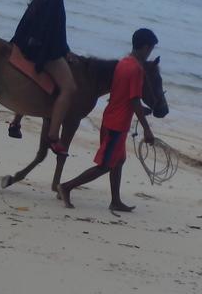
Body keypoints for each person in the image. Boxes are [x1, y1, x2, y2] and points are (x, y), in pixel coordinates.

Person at [59, 28, 159, 213]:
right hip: (117, 124)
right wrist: (147, 129)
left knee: (118, 161)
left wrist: (138, 109)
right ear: (146, 47)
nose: (150, 53)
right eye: (151, 49)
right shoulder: (136, 69)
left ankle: (115, 201)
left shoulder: (123, 63)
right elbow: (135, 100)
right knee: (105, 165)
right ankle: (66, 187)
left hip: (110, 117)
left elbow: (124, 94)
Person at [9, 0, 75, 153]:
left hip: (25, 46)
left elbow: (26, 25)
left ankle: (16, 120)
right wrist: (66, 53)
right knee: (69, 88)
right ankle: (54, 135)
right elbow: (55, 33)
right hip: (42, 51)